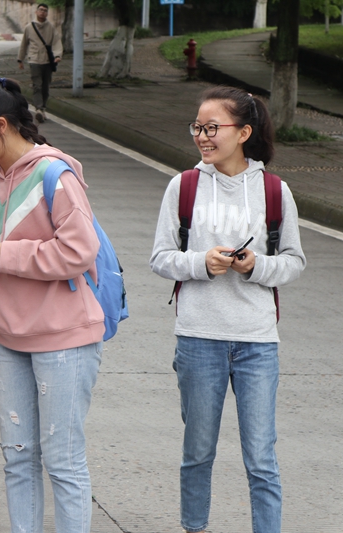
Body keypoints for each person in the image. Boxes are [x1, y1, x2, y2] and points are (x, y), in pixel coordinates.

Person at [150, 86, 306, 533]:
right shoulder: (183, 186)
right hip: (198, 337)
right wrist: (202, 263)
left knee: (261, 456)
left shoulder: (275, 191)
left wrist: (256, 265)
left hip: (257, 342)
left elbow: (294, 262)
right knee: (198, 452)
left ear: (244, 132)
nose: (202, 136)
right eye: (198, 126)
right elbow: (161, 257)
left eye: (212, 127)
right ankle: (194, 527)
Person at [0, 77, 104, 533]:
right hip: (9, 336)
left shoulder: (55, 174)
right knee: (18, 458)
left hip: (63, 337)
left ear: (1, 125)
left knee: (62, 460)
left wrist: (7, 256)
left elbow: (80, 251)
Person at [17, 3, 62, 123]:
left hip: (47, 60)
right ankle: (38, 109)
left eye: (45, 10)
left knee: (45, 87)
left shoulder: (50, 27)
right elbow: (24, 44)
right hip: (34, 60)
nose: (43, 12)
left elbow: (57, 42)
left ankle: (43, 108)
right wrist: (20, 59)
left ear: (47, 13)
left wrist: (57, 55)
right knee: (37, 85)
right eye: (41, 10)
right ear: (36, 12)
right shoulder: (29, 27)